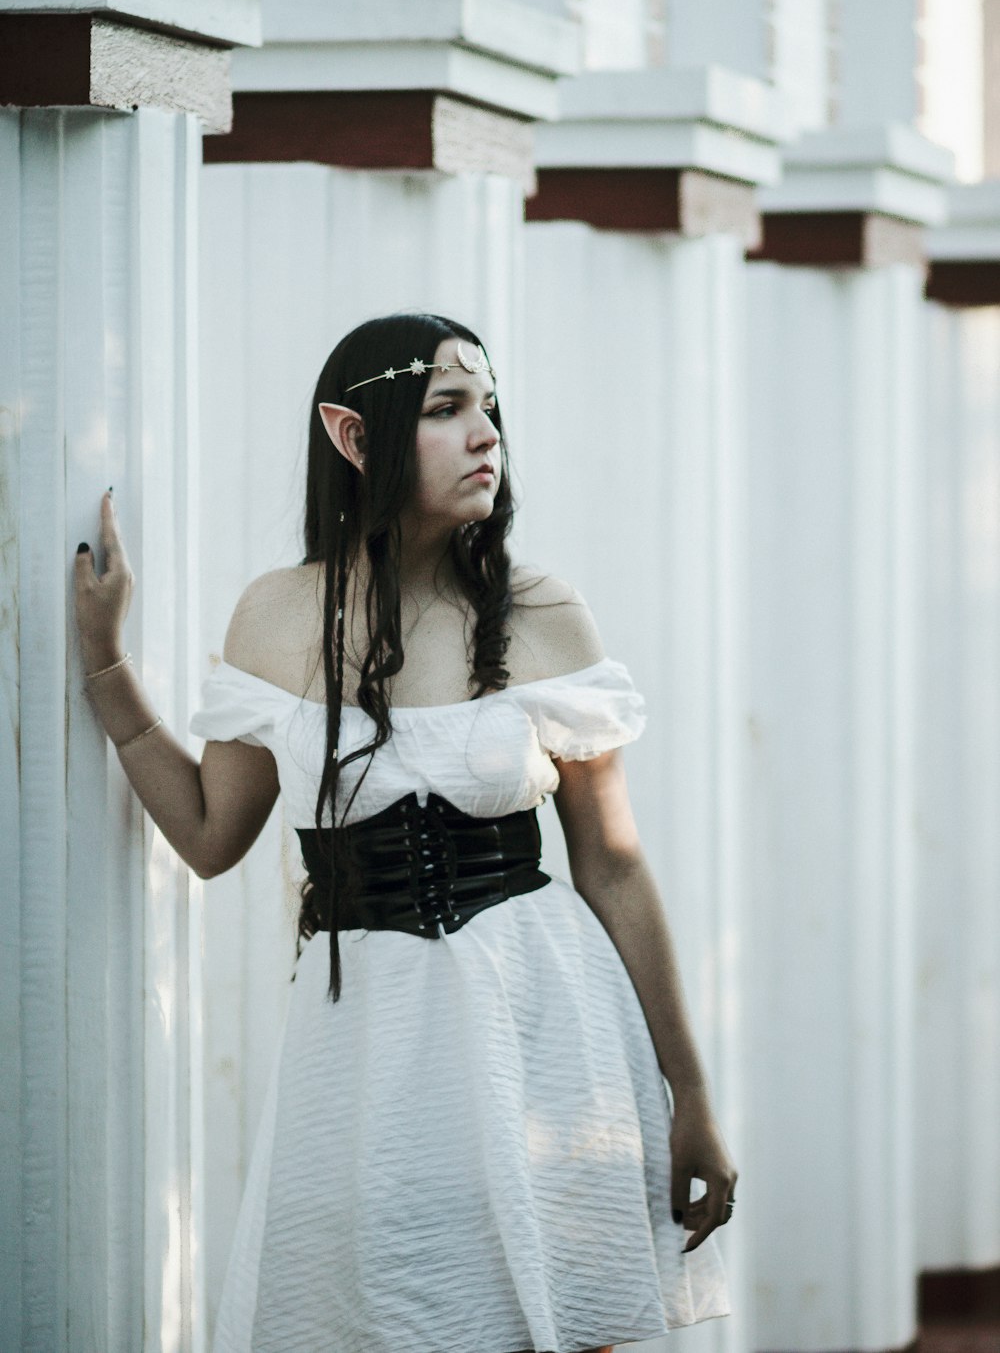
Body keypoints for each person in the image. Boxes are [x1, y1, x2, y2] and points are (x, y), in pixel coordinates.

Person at [75, 311, 737, 1353]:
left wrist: (689, 1092)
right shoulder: (278, 617)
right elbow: (210, 835)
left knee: (560, 1319)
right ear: (354, 437)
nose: (487, 435)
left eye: (491, 409)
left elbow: (611, 865)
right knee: (391, 1314)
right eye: (446, 409)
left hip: (546, 1030)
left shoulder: (545, 615)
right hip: (368, 1049)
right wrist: (106, 673)